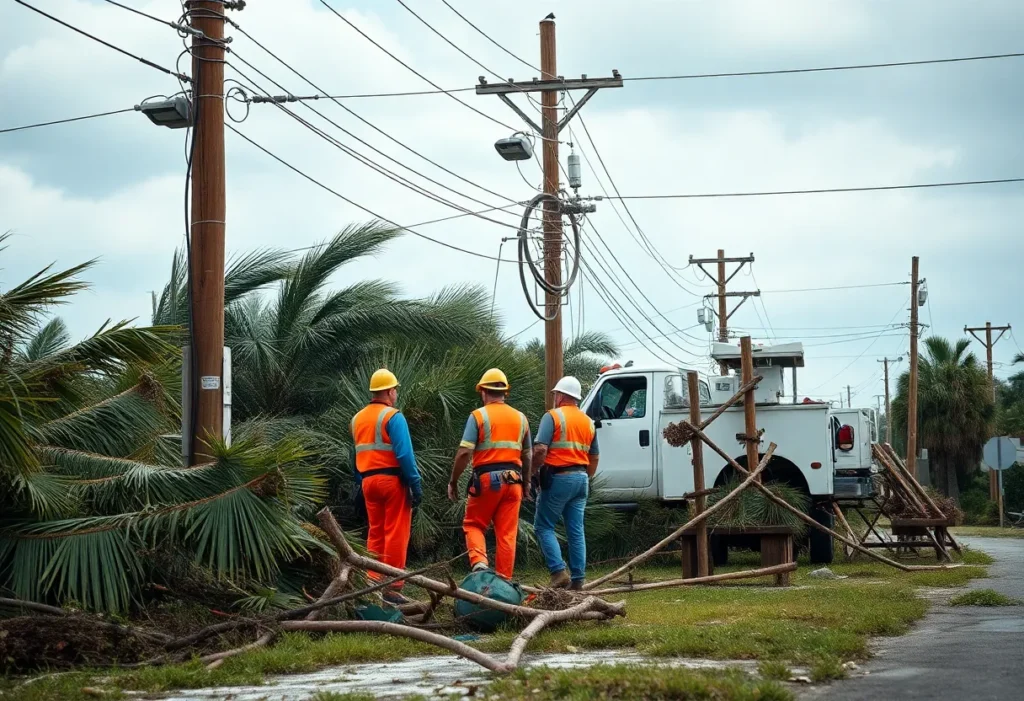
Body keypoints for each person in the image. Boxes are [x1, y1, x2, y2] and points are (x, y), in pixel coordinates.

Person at [448, 368, 532, 580]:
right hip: (514, 481)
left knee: (474, 524)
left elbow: (465, 452)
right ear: (505, 393)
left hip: (487, 480)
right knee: (507, 534)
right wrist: (528, 482)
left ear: (483, 392)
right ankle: (503, 583)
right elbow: (528, 454)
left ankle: (480, 565)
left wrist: (454, 481)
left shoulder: (478, 416)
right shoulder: (521, 418)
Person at [351, 368, 423, 605]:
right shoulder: (393, 416)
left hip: (368, 482)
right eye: (395, 391)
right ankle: (392, 586)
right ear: (391, 391)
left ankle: (372, 580)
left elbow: (356, 454)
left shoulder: (358, 418)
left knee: (376, 530)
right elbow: (404, 454)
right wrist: (415, 483)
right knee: (396, 532)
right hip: (392, 481)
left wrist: (360, 482)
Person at [532, 376, 600, 590]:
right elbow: (595, 457)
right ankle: (578, 579)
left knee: (543, 525)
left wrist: (532, 471)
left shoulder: (552, 417)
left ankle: (558, 571)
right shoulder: (588, 421)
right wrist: (584, 478)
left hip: (558, 478)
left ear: (561, 396)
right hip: (581, 478)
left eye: (555, 394)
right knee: (576, 530)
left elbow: (541, 449)